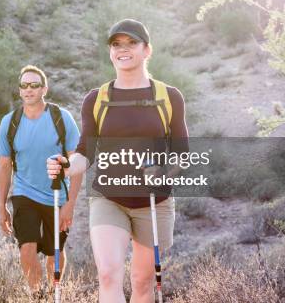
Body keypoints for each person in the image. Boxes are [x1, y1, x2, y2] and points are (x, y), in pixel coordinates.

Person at [47, 19, 189, 303]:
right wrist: (65, 165)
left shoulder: (168, 97)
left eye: (131, 43)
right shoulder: (96, 99)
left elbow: (182, 155)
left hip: (154, 201)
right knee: (109, 274)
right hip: (108, 198)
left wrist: (163, 171)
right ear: (110, 52)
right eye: (116, 44)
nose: (123, 50)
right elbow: (85, 154)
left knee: (142, 281)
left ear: (147, 50)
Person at [0, 65, 82, 295]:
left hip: (56, 194)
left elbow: (77, 164)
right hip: (24, 193)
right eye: (24, 85)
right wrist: (2, 206)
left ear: (44, 88)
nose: (29, 89)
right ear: (19, 90)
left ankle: (55, 292)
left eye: (34, 85)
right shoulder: (10, 122)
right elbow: (4, 166)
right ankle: (36, 295)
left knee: (55, 251)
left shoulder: (61, 118)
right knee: (27, 248)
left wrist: (70, 205)